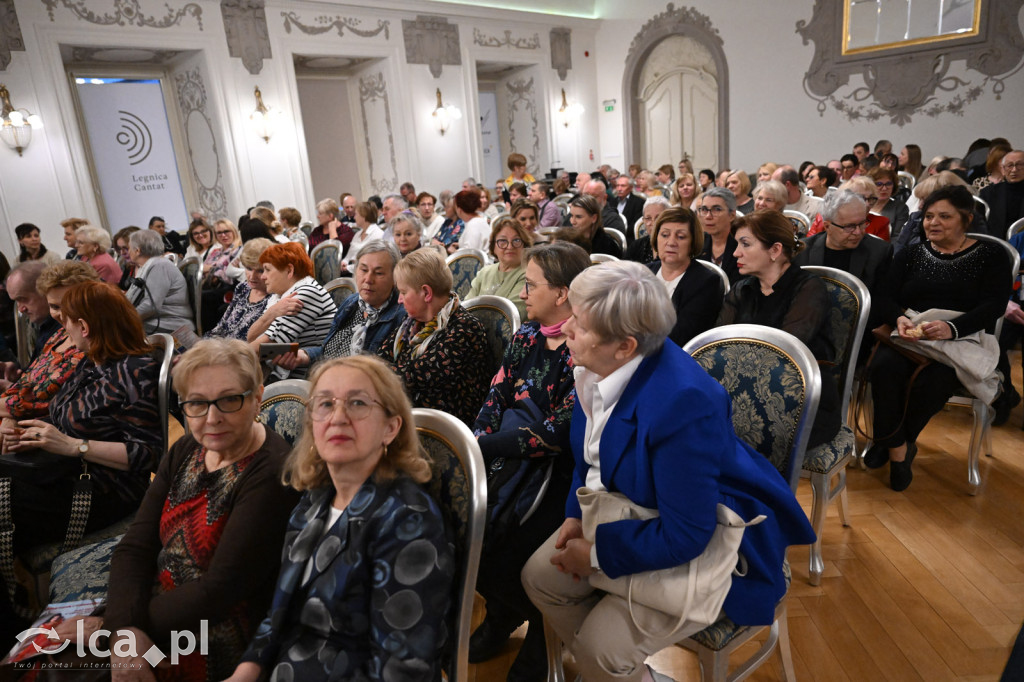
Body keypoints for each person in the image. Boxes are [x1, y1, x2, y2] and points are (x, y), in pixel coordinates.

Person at [521, 262, 815, 682]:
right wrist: (573, 513)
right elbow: (589, 458)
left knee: (601, 653)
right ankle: (626, 672)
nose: (565, 328)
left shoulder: (683, 403)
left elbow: (689, 534)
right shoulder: (599, 363)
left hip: (700, 534)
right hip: (630, 508)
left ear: (625, 345)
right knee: (539, 578)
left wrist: (598, 554)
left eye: (580, 325)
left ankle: (612, 667)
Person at [50, 340, 302, 680]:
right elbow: (137, 544)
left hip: (217, 630)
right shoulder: (187, 447)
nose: (212, 418)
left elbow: (221, 590)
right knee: (48, 658)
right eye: (196, 403)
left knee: (69, 668)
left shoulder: (271, 472)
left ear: (256, 397)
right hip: (157, 605)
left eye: (230, 399)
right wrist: (124, 628)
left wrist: (111, 627)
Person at [226, 355, 453, 682]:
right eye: (325, 404)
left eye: (358, 403)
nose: (338, 417)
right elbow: (279, 615)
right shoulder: (314, 499)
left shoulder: (408, 521)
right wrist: (245, 673)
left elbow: (401, 670)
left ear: (390, 428)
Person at [0, 281, 162, 638]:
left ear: (84, 326)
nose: (63, 328)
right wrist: (34, 433)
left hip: (104, 491)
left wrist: (73, 446)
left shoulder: (135, 370)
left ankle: (11, 625)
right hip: (67, 474)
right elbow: (64, 421)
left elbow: (147, 454)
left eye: (67, 320)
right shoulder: (93, 360)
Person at [470, 242, 590, 681]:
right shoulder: (526, 335)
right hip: (507, 456)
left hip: (561, 472)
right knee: (464, 530)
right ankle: (503, 613)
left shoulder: (583, 343)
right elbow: (496, 393)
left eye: (531, 283)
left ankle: (544, 631)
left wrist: (487, 446)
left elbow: (559, 432)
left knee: (509, 547)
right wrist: (480, 439)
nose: (523, 292)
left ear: (562, 293)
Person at [864, 185, 1009, 490]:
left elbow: (994, 306)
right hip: (910, 337)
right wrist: (899, 318)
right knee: (882, 368)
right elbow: (884, 296)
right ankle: (898, 450)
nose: (933, 223)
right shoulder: (912, 253)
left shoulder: (990, 255)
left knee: (936, 381)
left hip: (959, 339)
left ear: (966, 219)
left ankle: (892, 442)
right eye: (929, 216)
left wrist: (952, 328)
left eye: (945, 216)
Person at [717, 210, 841, 449]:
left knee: (729, 438)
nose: (735, 253)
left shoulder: (809, 289)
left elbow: (784, 354)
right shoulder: (742, 289)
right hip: (742, 392)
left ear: (774, 250)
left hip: (800, 401)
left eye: (745, 244)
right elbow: (719, 347)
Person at [378, 248, 491, 425]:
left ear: (426, 293)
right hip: (407, 411)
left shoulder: (465, 328)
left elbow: (412, 377)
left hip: (442, 428)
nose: (399, 300)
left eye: (404, 292)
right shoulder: (412, 323)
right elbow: (380, 357)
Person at [0, 261, 97, 450]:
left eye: (67, 305)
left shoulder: (89, 344)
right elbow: (26, 384)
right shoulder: (60, 334)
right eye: (54, 306)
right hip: (25, 423)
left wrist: (10, 417)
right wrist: (8, 417)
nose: (62, 314)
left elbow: (52, 404)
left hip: (50, 440)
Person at [276, 240, 407, 372]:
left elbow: (386, 377)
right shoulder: (352, 302)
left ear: (395, 277)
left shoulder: (401, 317)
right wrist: (303, 355)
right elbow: (328, 351)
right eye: (363, 270)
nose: (368, 279)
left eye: (378, 273)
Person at [794, 190, 893, 330]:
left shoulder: (879, 252)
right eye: (850, 227)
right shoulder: (802, 251)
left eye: (862, 223)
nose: (858, 232)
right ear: (827, 226)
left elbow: (881, 302)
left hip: (857, 329)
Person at [247, 242, 337, 378]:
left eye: (267, 269)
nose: (262, 276)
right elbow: (251, 337)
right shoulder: (278, 298)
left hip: (307, 377)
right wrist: (272, 313)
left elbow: (263, 348)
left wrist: (229, 358)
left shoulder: (306, 292)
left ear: (289, 271)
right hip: (282, 373)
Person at [647, 207, 724, 346]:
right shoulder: (644, 272)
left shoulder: (706, 282)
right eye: (664, 235)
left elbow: (682, 336)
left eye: (681, 237)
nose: (671, 242)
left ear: (692, 242)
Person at [125, 229, 196, 337]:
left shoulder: (160, 266)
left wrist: (123, 319)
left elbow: (151, 306)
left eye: (129, 248)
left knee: (114, 330)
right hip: (160, 321)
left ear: (137, 251)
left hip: (171, 325)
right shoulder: (151, 265)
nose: (128, 251)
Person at [206, 238, 274, 340]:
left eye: (260, 271)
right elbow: (221, 327)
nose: (252, 276)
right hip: (221, 347)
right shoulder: (243, 287)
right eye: (249, 268)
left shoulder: (274, 298)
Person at [467, 215, 533, 320]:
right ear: (493, 246)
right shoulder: (485, 272)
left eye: (516, 240)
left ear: (524, 245)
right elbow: (466, 306)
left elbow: (511, 316)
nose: (510, 246)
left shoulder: (529, 275)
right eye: (503, 241)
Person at [4, 261, 62, 359]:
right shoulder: (45, 325)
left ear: (45, 289)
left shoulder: (67, 328)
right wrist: (17, 372)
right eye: (16, 301)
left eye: (23, 299)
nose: (21, 309)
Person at [696, 187, 742, 283]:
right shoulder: (697, 243)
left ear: (732, 215)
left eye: (717, 209)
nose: (708, 216)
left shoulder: (742, 245)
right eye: (704, 209)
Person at [980, 149, 1024, 238]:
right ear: (1003, 170)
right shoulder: (989, 193)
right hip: (996, 244)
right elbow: (980, 225)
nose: (1014, 170)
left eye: (1019, 165)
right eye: (1010, 165)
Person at [869, 166, 910, 238]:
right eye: (879, 184)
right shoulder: (862, 205)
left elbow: (898, 237)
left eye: (888, 184)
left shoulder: (900, 208)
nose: (884, 188)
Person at [344, 200, 385, 270]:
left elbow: (373, 261)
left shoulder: (378, 234)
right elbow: (348, 256)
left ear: (364, 215)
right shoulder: (357, 234)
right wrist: (344, 262)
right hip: (352, 270)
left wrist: (348, 268)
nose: (354, 218)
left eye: (356, 214)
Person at [456, 187, 491, 253]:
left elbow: (470, 255)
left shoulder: (473, 224)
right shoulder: (477, 220)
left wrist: (454, 252)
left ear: (459, 210)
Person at [612, 175, 645, 241]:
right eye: (617, 186)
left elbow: (635, 226)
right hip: (612, 236)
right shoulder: (612, 202)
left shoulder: (639, 203)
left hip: (629, 238)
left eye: (623, 186)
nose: (619, 189)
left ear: (630, 188)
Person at [113, 225, 141, 290]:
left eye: (126, 248)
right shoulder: (126, 264)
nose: (122, 253)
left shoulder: (153, 267)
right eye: (120, 248)